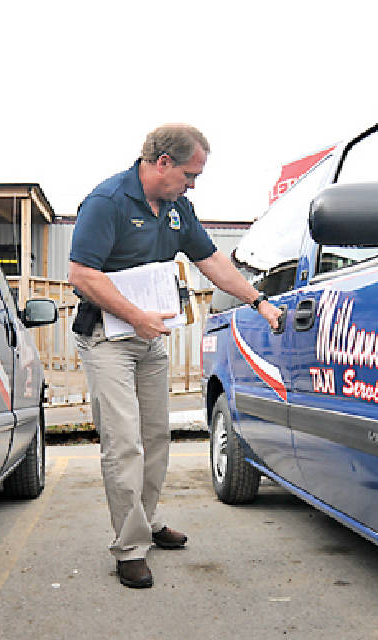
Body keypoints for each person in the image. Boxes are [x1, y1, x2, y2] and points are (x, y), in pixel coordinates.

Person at [68, 123, 282, 589]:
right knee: (124, 442)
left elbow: (213, 262)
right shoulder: (106, 203)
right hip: (108, 340)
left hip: (149, 339)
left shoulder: (177, 209)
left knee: (155, 438)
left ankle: (145, 521)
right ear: (162, 163)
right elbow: (82, 275)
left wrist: (258, 301)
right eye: (190, 174)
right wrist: (136, 316)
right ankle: (129, 547)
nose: (193, 184)